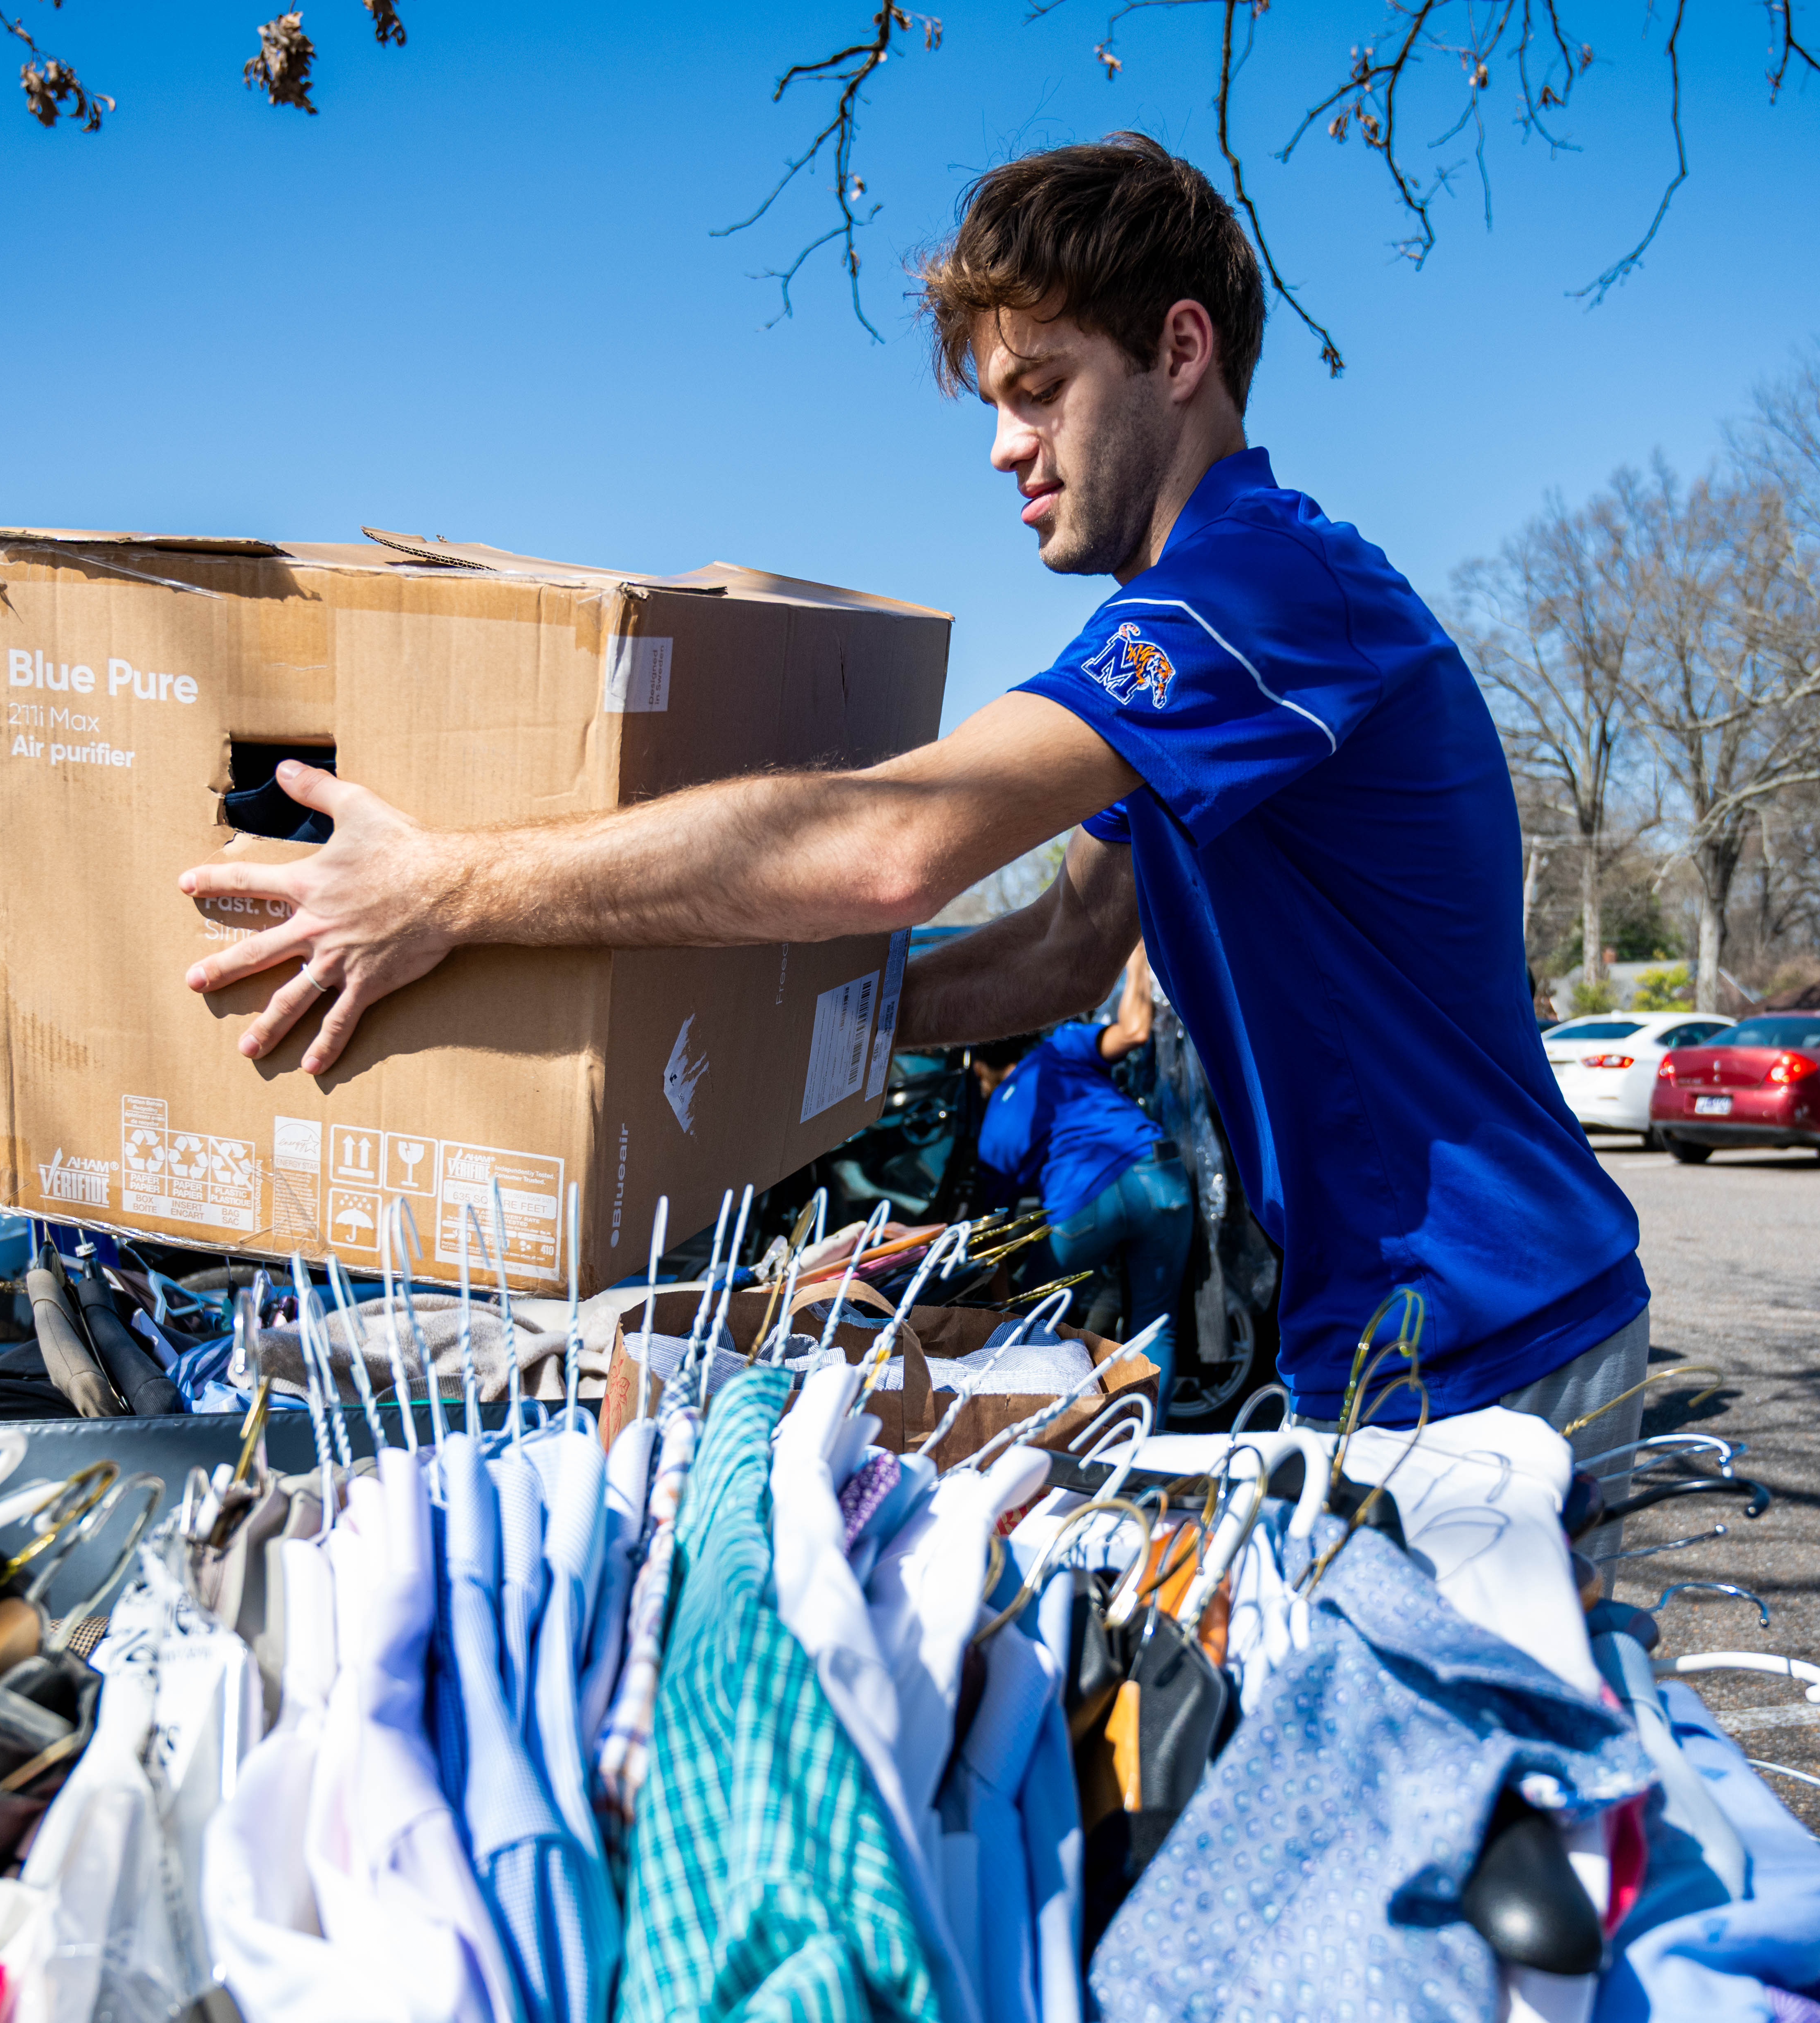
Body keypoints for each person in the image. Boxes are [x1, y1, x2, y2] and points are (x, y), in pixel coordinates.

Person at [170, 133, 1649, 1456]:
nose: (1003, 447)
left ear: (1180, 349)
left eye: (1038, 389)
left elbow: (896, 849)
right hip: (1382, 1344)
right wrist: (736, 1041)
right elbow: (1054, 959)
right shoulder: (1206, 657)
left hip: (1484, 1344)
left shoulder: (1261, 593)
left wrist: (447, 888)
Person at [971, 949, 1193, 1412]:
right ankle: (1147, 1439)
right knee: (1157, 1325)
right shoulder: (1061, 1047)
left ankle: (1059, 1429)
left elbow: (993, 1237)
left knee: (1038, 1323)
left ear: (981, 1068)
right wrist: (1136, 957)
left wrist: (1008, 1310)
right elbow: (1134, 1031)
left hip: (1082, 1202)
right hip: (1157, 1173)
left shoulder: (992, 1131)